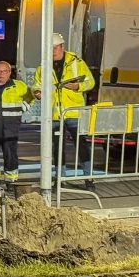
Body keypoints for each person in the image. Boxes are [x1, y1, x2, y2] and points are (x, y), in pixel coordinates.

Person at [32, 33, 96, 175]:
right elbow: (37, 83)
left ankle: (88, 177)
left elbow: (90, 82)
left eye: (55, 48)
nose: (53, 51)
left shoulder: (76, 62)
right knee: (58, 147)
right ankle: (60, 177)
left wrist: (78, 87)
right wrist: (36, 92)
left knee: (82, 145)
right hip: (54, 114)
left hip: (74, 112)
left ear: (62, 47)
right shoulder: (44, 65)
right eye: (50, 48)